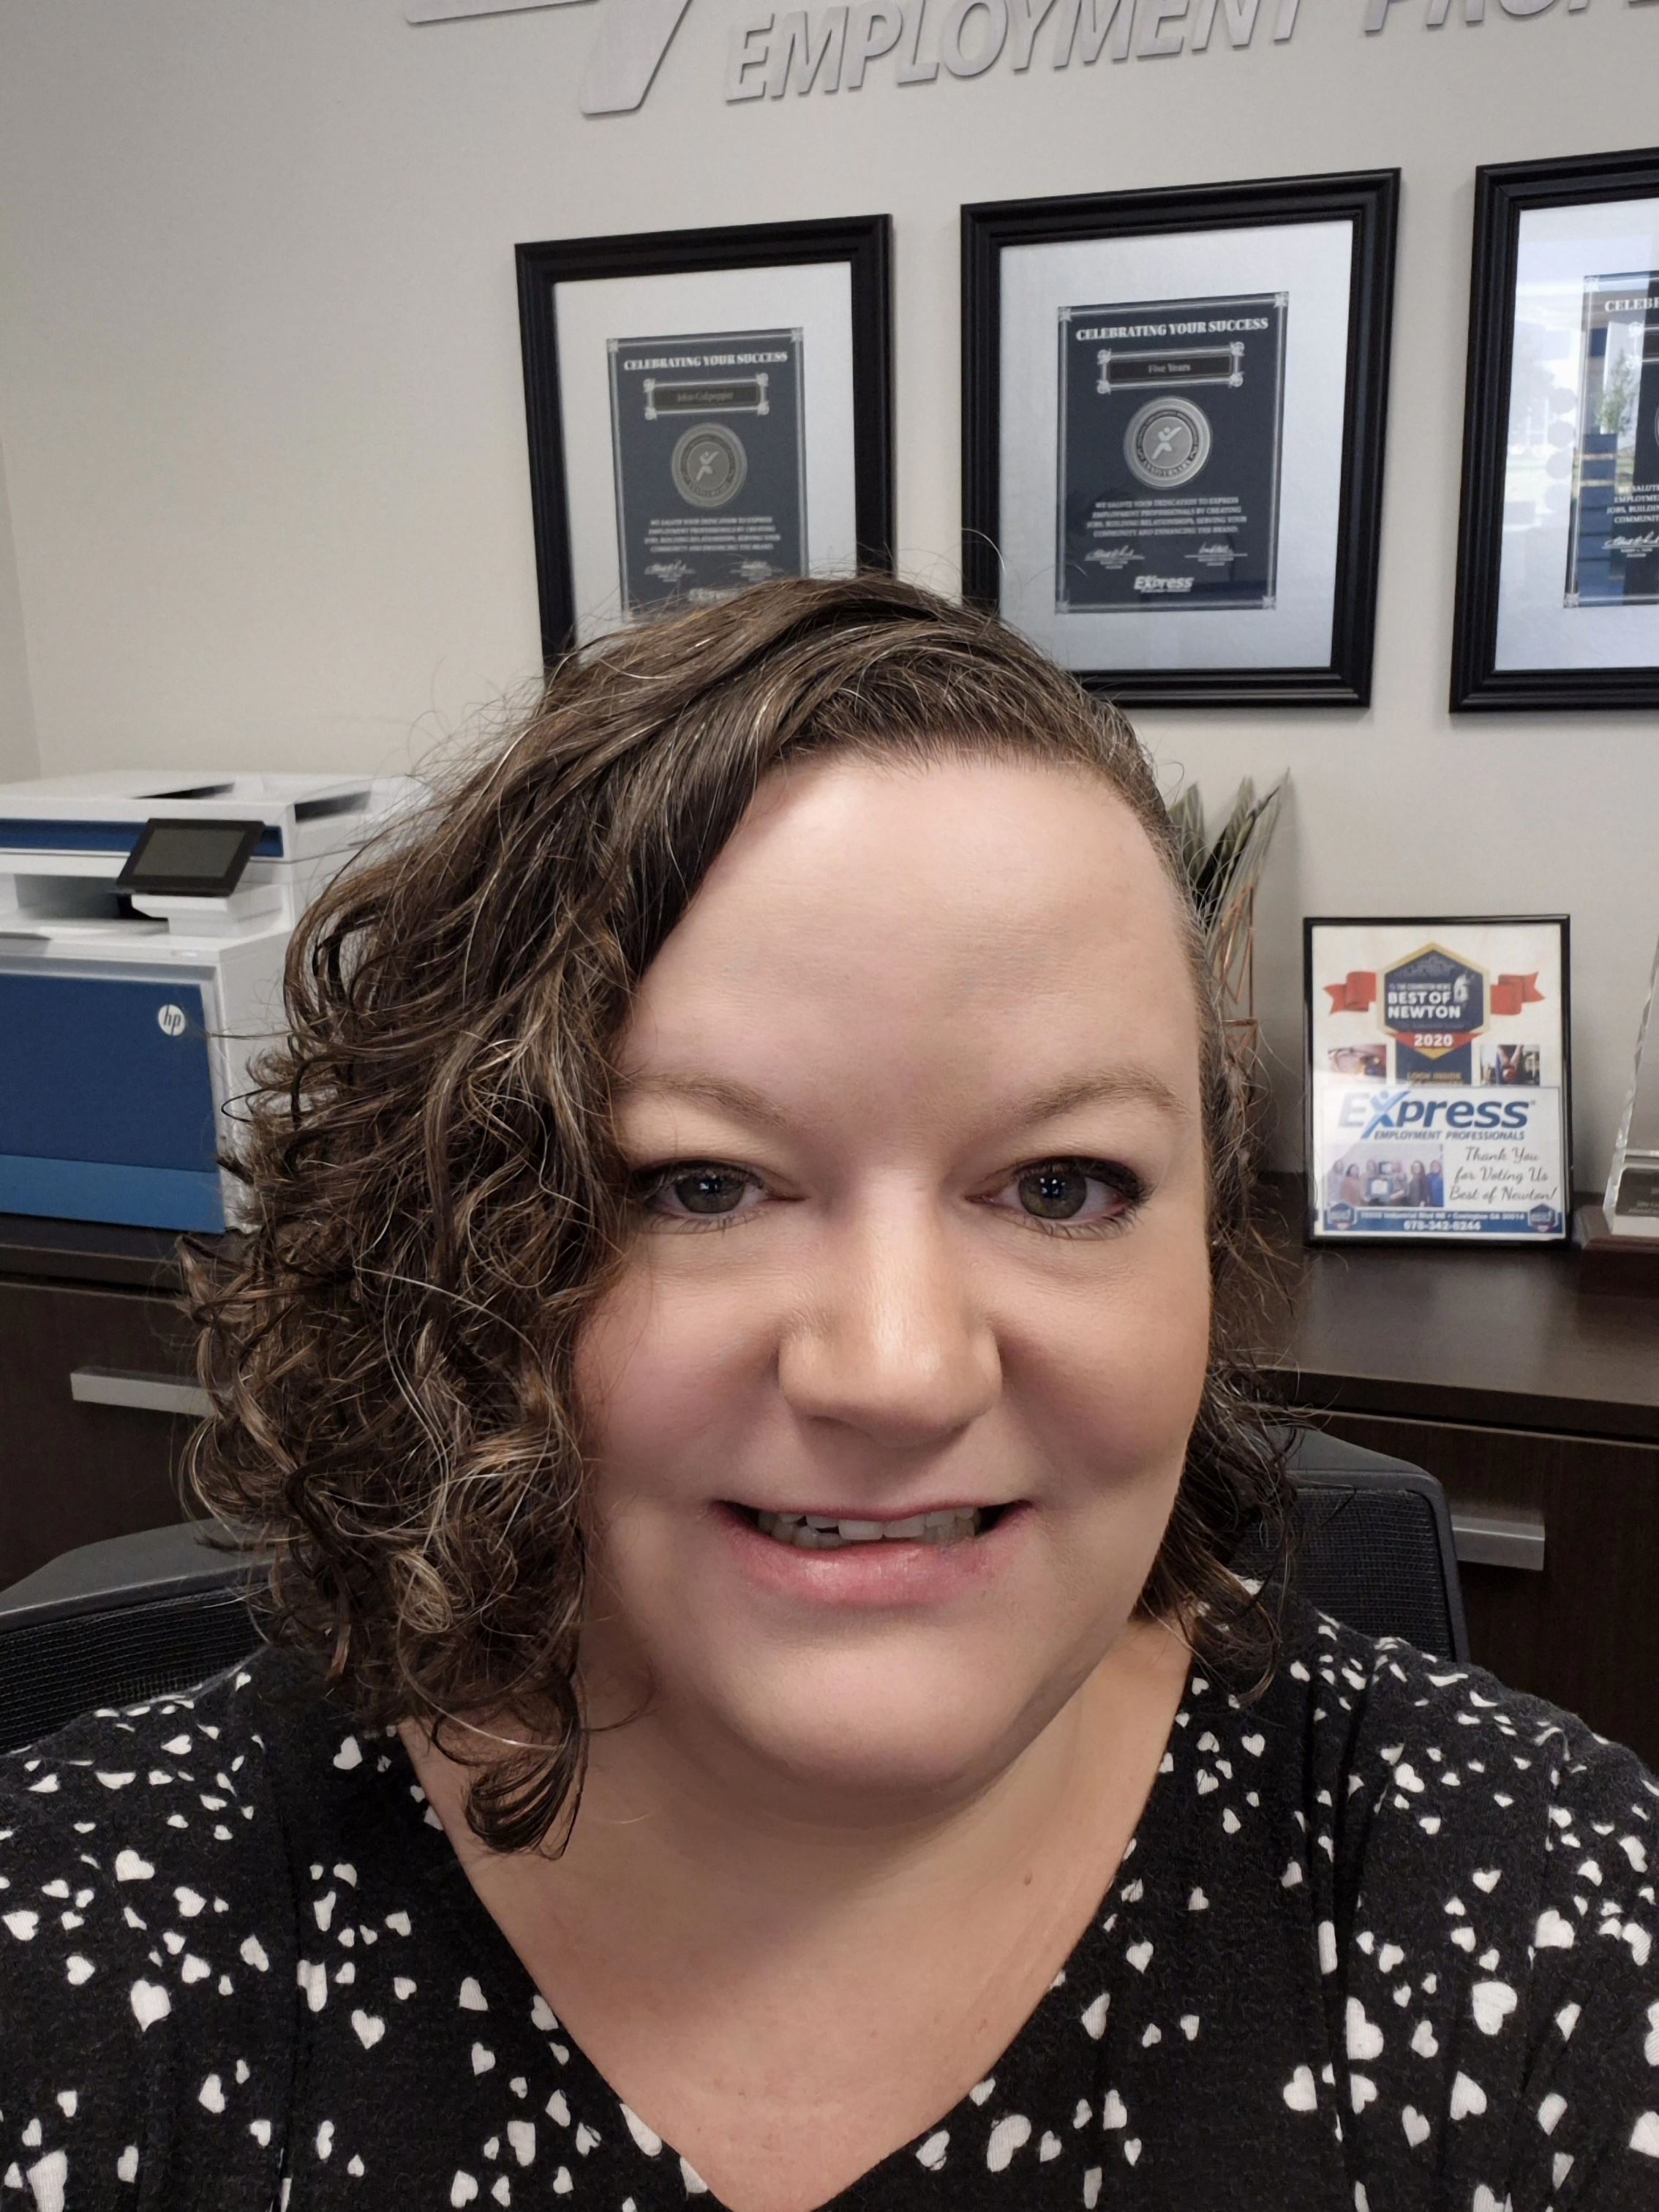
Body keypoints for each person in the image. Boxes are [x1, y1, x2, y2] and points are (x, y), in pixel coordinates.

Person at [4, 575, 1658, 2211]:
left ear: (1211, 1252)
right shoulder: (97, 1947)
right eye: (702, 1186)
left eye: (1064, 1186)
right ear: (460, 1243)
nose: (898, 1372)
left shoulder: (1537, 1913)